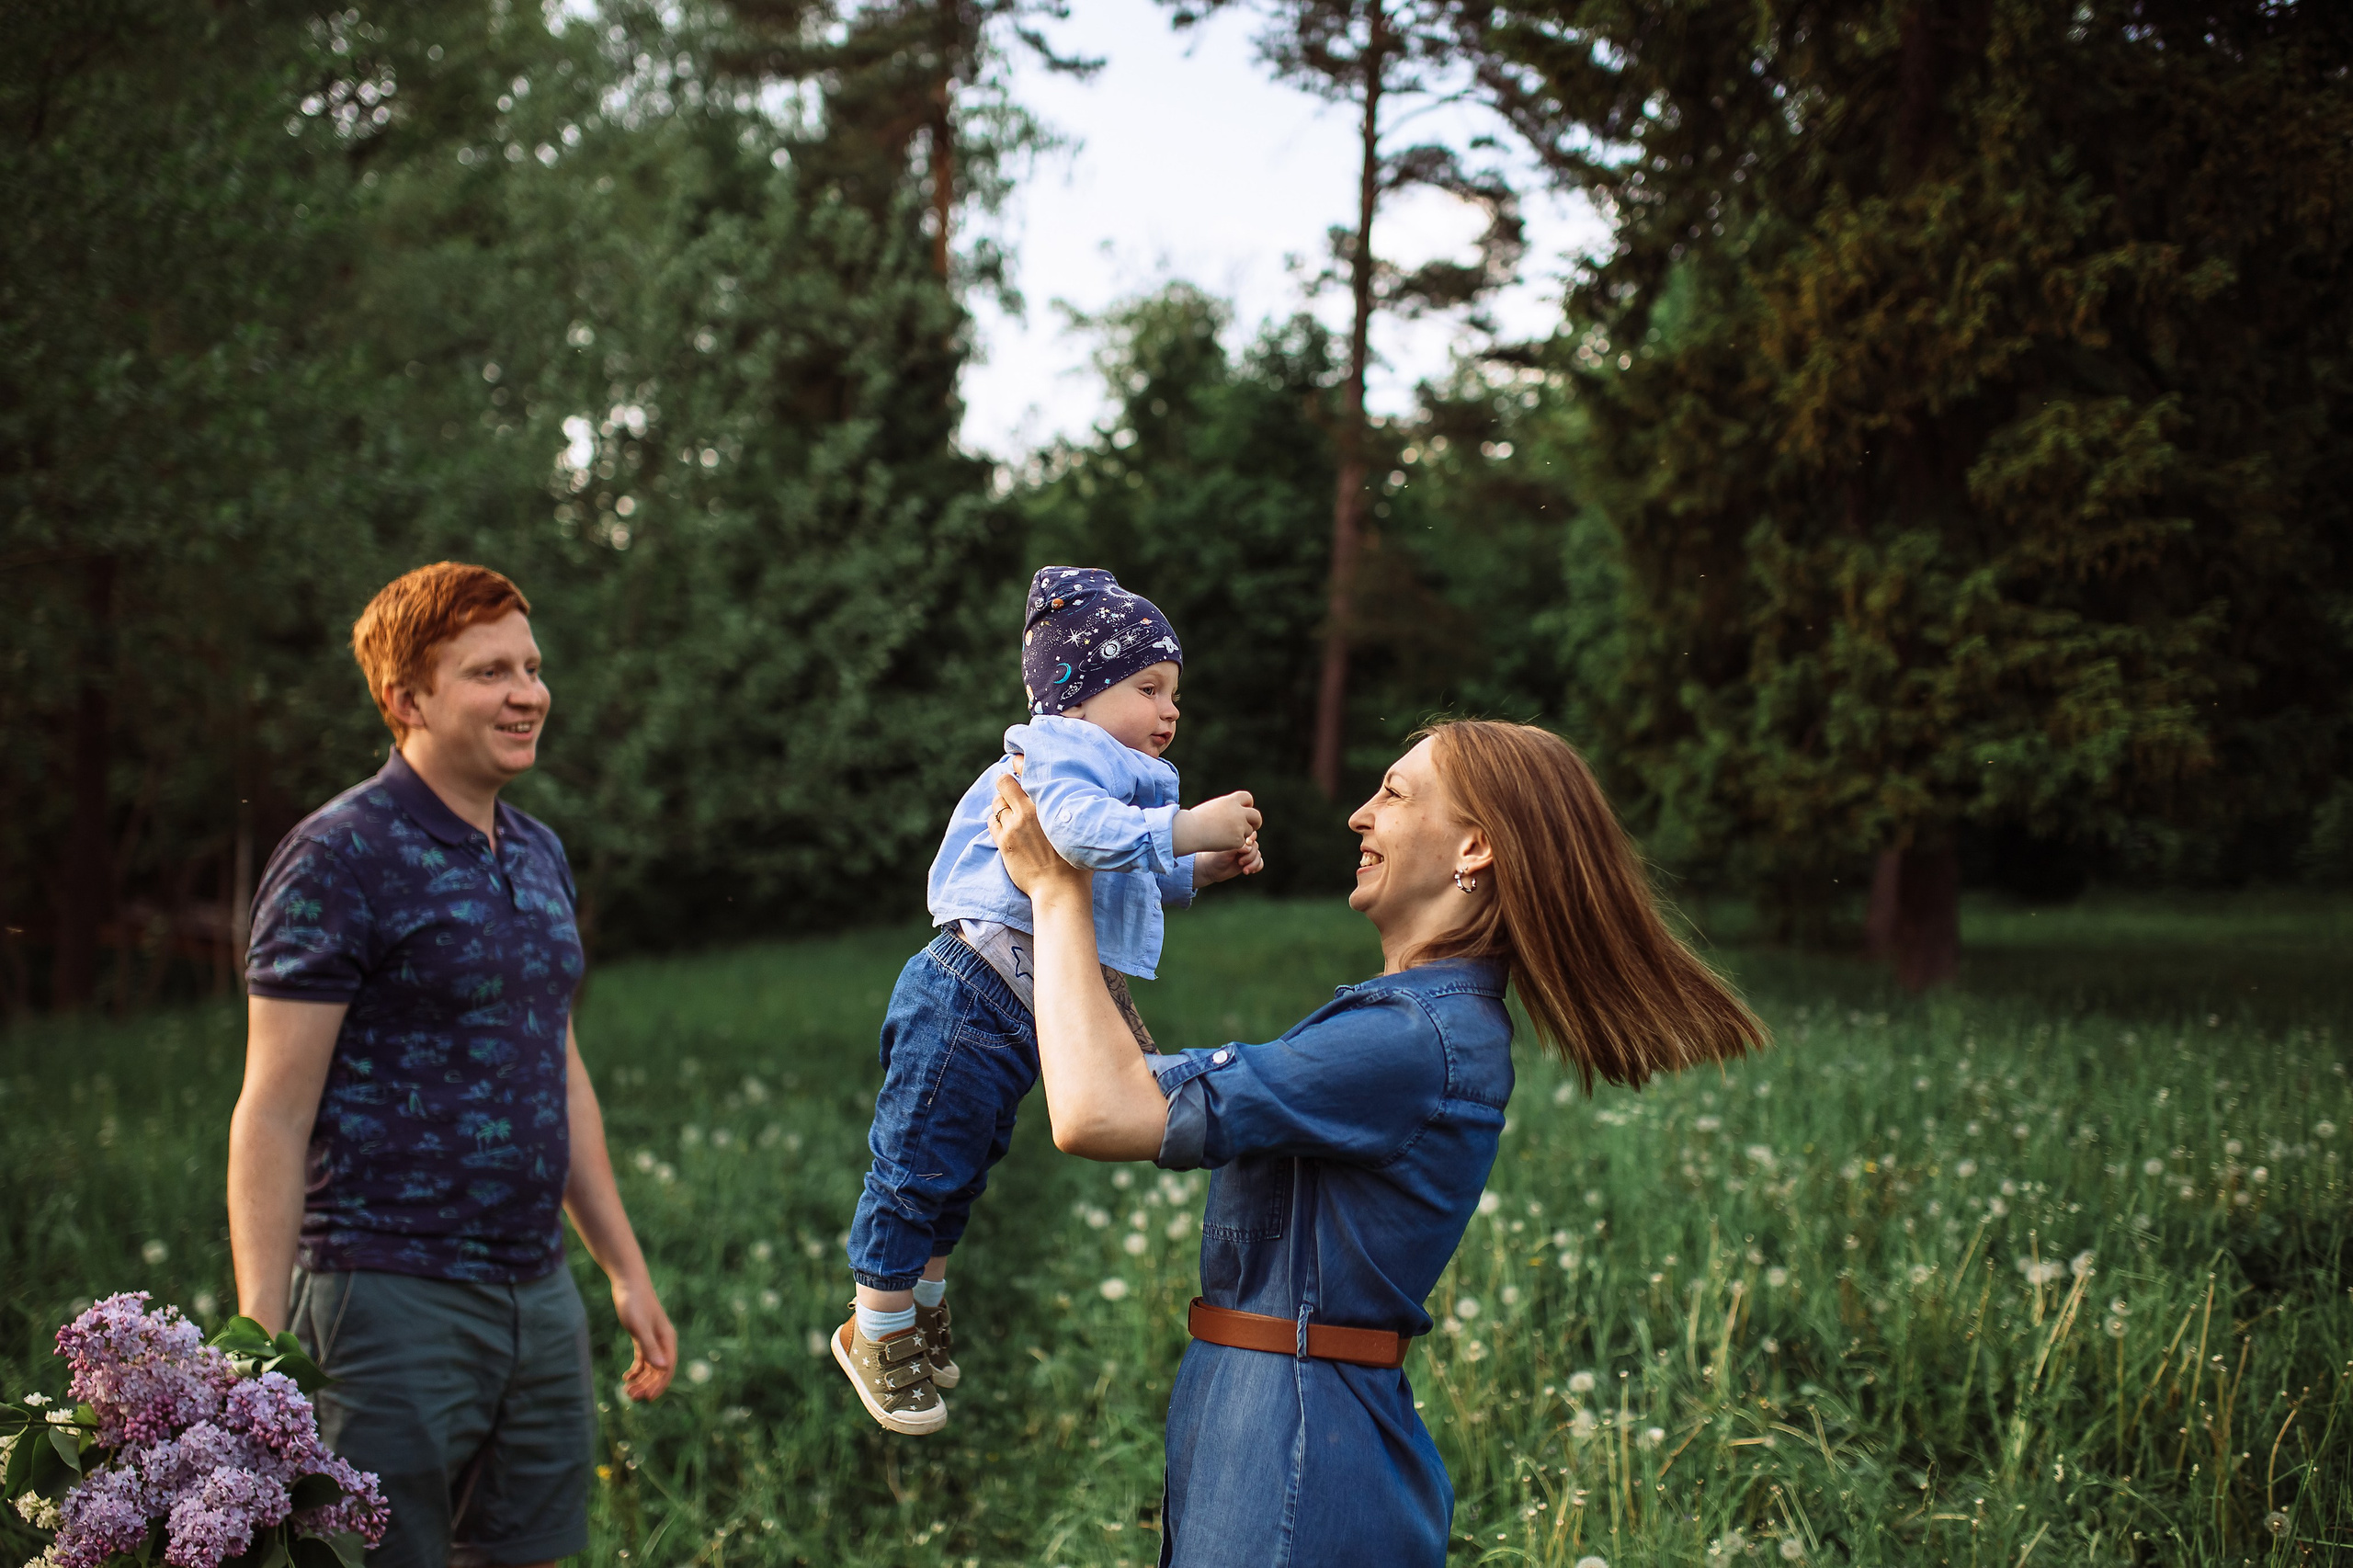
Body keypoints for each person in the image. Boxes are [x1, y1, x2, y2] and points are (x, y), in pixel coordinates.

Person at [986, 719, 1768, 1566]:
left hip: (1293, 1446)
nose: (1360, 815)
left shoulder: (1412, 1039)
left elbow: (1099, 1112)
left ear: (1475, 849)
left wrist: (1058, 891)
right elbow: (1125, 1078)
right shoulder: (1409, 1026)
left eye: (1394, 794)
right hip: (1268, 1422)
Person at [227, 562, 676, 1568]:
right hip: (385, 1297)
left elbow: (555, 1068)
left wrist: (621, 1267)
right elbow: (271, 1111)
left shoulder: (536, 852)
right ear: (406, 699)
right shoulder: (337, 856)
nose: (527, 692)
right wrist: (259, 1343)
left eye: (532, 665)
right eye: (487, 671)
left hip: (536, 1289)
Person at [833, 566, 1267, 1435]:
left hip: (1016, 1008)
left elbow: (1116, 878)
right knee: (917, 1165)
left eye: (1174, 692)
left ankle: (919, 1310)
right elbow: (1070, 835)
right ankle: (874, 1327)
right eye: (1149, 688)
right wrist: (1186, 829)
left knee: (962, 1168)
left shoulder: (1117, 771)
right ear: (1076, 693)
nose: (1169, 711)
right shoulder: (1059, 754)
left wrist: (1197, 868)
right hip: (966, 991)